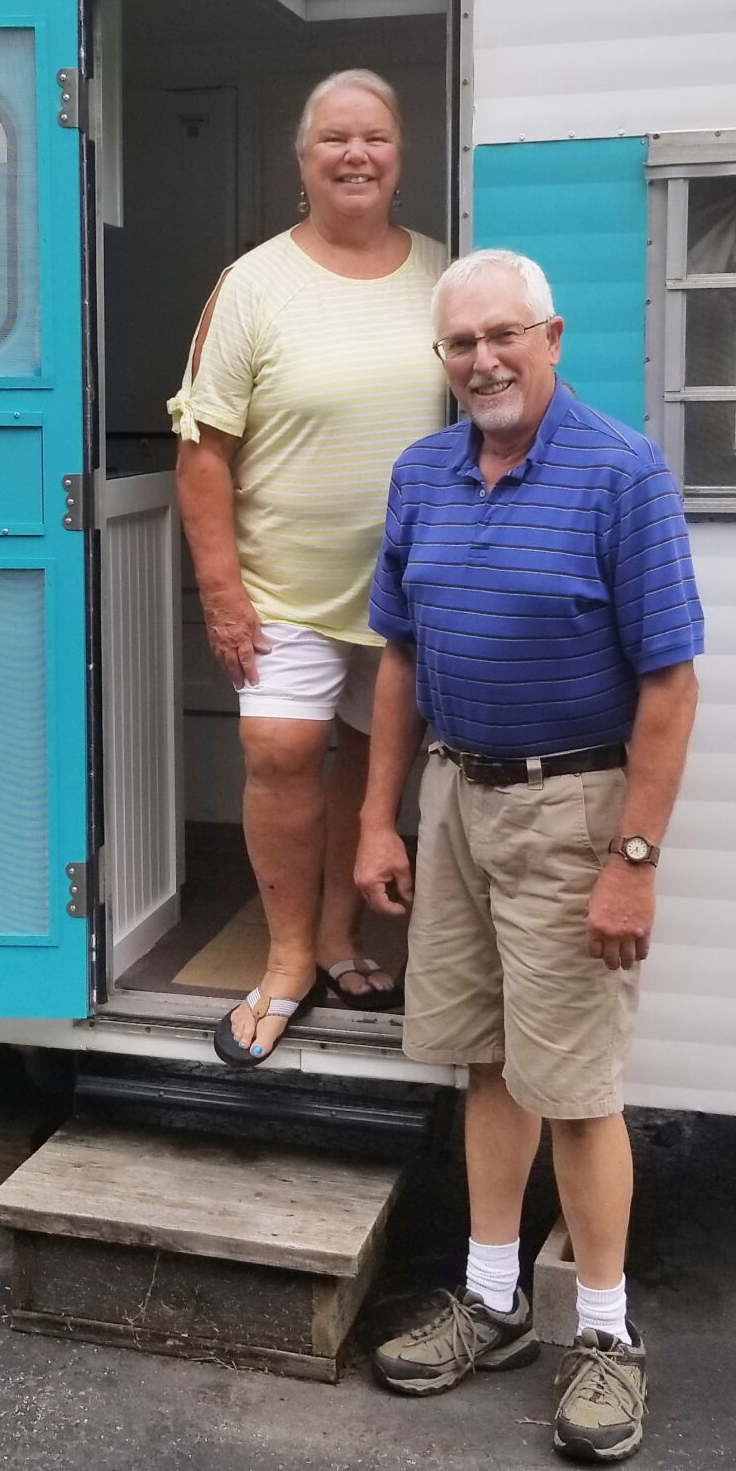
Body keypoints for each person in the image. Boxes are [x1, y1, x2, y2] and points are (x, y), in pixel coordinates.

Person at [354, 247, 703, 1465]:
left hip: (573, 809)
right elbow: (399, 658)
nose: (483, 360)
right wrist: (377, 818)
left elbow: (670, 685)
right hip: (454, 796)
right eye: (461, 343)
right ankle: (491, 1300)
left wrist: (633, 859)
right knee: (486, 1064)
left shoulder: (620, 473)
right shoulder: (423, 473)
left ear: (551, 337)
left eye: (504, 335)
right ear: (441, 359)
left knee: (579, 1088)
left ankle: (604, 1335)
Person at [168, 69, 449, 1067]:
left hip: (408, 593)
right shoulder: (252, 283)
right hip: (282, 587)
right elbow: (203, 452)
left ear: (401, 156)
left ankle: (338, 936)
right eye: (334, 138)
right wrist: (221, 593)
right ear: (302, 159)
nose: (355, 155)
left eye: (375, 137)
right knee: (282, 752)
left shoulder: (444, 275)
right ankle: (287, 955)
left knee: (372, 765)